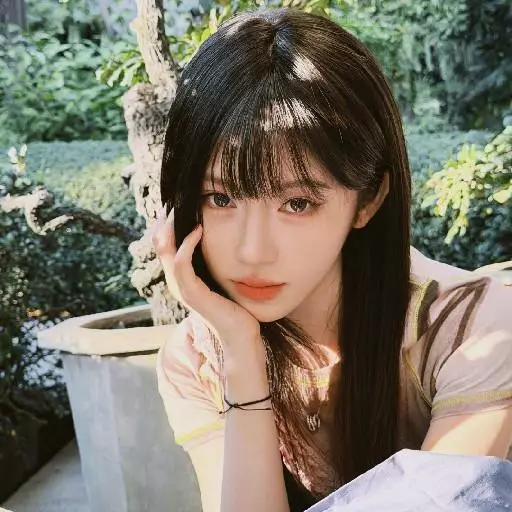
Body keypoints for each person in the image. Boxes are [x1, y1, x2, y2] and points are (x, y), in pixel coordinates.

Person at [151, 8, 512, 512]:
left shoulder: (471, 328)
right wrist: (242, 357)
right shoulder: (197, 358)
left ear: (368, 200)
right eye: (221, 198)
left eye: (298, 203)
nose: (253, 251)